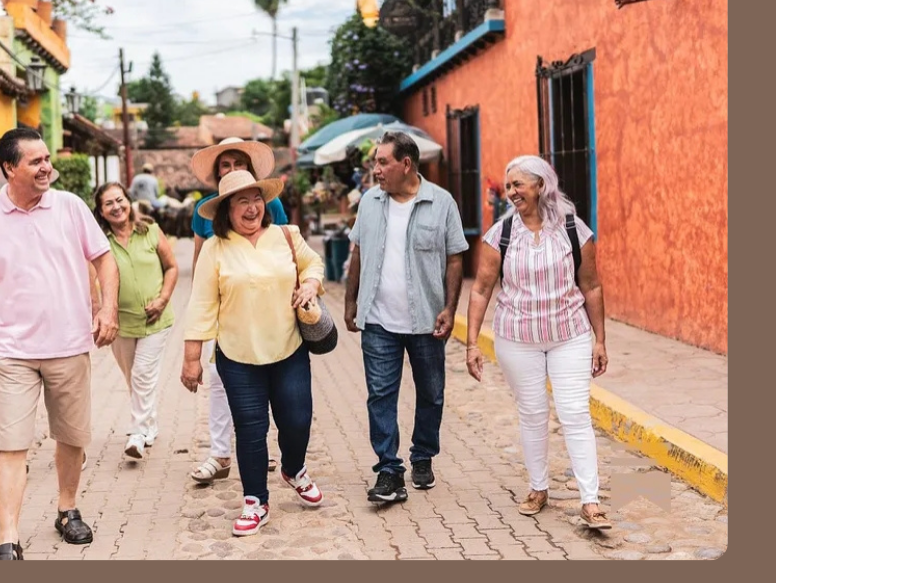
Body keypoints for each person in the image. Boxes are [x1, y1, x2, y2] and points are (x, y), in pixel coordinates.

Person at [0, 126, 119, 560]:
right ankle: (8, 537)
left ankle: (67, 508)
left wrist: (108, 308)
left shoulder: (71, 208)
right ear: (8, 168)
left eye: (47, 159)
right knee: (12, 443)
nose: (47, 167)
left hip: (69, 343)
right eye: (35, 161)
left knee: (71, 436)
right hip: (12, 352)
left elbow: (104, 260)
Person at [465, 155, 611, 530]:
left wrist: (600, 340)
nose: (511, 192)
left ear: (541, 185)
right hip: (518, 339)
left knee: (575, 413)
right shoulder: (501, 235)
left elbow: (591, 286)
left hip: (570, 335)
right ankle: (538, 488)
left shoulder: (573, 229)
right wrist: (471, 343)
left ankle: (590, 500)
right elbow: (481, 290)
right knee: (531, 414)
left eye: (518, 185)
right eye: (508, 185)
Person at [181, 168, 327, 535]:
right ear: (226, 210)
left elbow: (314, 263)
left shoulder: (286, 235)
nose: (251, 208)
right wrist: (191, 357)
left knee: (297, 421)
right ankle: (255, 501)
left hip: (288, 348)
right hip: (238, 356)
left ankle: (293, 469)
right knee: (250, 429)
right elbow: (200, 304)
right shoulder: (215, 248)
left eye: (256, 199)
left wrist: (310, 284)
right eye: (241, 201)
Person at [345, 131, 468, 505]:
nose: (376, 169)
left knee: (431, 393)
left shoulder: (441, 202)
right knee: (381, 396)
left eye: (382, 162)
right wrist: (351, 302)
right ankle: (388, 469)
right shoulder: (369, 202)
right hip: (379, 321)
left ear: (406, 164)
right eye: (375, 162)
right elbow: (359, 252)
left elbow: (454, 258)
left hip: (427, 321)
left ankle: (423, 456)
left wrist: (450, 307)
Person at [187, 137, 289, 484]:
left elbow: (283, 250)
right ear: (217, 173)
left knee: (268, 381)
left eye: (239, 164)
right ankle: (219, 452)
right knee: (218, 379)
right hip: (224, 304)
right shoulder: (205, 209)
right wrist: (199, 312)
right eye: (225, 166)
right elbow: (200, 258)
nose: (232, 170)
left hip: (266, 311)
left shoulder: (270, 206)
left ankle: (260, 446)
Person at [92, 181, 178, 461]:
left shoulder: (150, 230)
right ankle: (150, 424)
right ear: (101, 212)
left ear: (129, 202)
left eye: (120, 200)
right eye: (109, 204)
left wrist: (163, 298)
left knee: (142, 375)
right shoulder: (99, 242)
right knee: (135, 380)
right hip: (121, 325)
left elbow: (172, 267)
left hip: (156, 320)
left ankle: (137, 433)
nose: (116, 207)